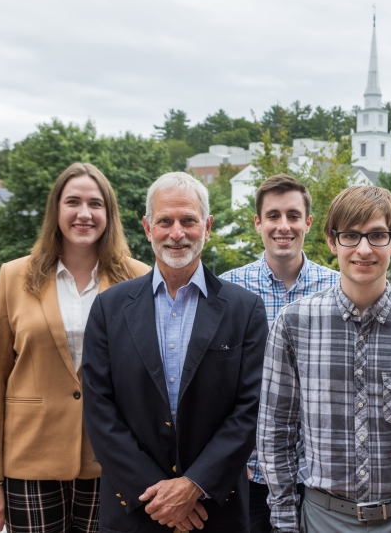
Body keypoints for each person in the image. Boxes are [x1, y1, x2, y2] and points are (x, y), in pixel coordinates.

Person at [258, 185, 391, 532]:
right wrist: (285, 523)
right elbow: (275, 435)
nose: (363, 249)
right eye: (350, 236)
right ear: (332, 241)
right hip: (324, 518)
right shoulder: (293, 323)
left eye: (376, 236)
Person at [82, 171, 268, 533]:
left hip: (216, 509)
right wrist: (154, 495)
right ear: (148, 227)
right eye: (165, 221)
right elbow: (99, 409)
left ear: (208, 226)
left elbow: (252, 409)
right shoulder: (109, 308)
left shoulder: (244, 310)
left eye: (188, 221)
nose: (177, 233)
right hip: (134, 509)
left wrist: (193, 486)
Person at [0, 162, 150, 533]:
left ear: (109, 213)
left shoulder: (139, 278)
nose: (84, 213)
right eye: (73, 201)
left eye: (96, 203)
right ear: (56, 210)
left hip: (110, 460)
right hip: (28, 459)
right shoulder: (14, 277)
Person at [219, 173, 339, 533]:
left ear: (308, 223)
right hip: (247, 471)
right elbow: (219, 382)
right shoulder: (229, 289)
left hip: (321, 471)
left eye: (292, 215)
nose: (283, 226)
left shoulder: (337, 288)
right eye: (273, 216)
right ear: (257, 223)